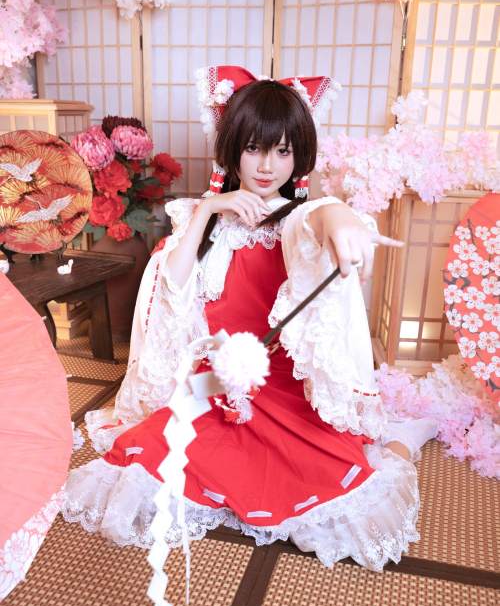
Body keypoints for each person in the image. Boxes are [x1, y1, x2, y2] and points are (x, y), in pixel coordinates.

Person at [63, 66, 437, 571]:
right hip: (215, 378)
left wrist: (342, 219)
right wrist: (207, 210)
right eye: (255, 148)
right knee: (148, 454)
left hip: (279, 381)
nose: (267, 166)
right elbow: (173, 284)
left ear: (299, 156)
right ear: (233, 148)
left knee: (338, 483)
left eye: (283, 151)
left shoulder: (297, 218)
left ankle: (400, 440)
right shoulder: (204, 216)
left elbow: (320, 215)